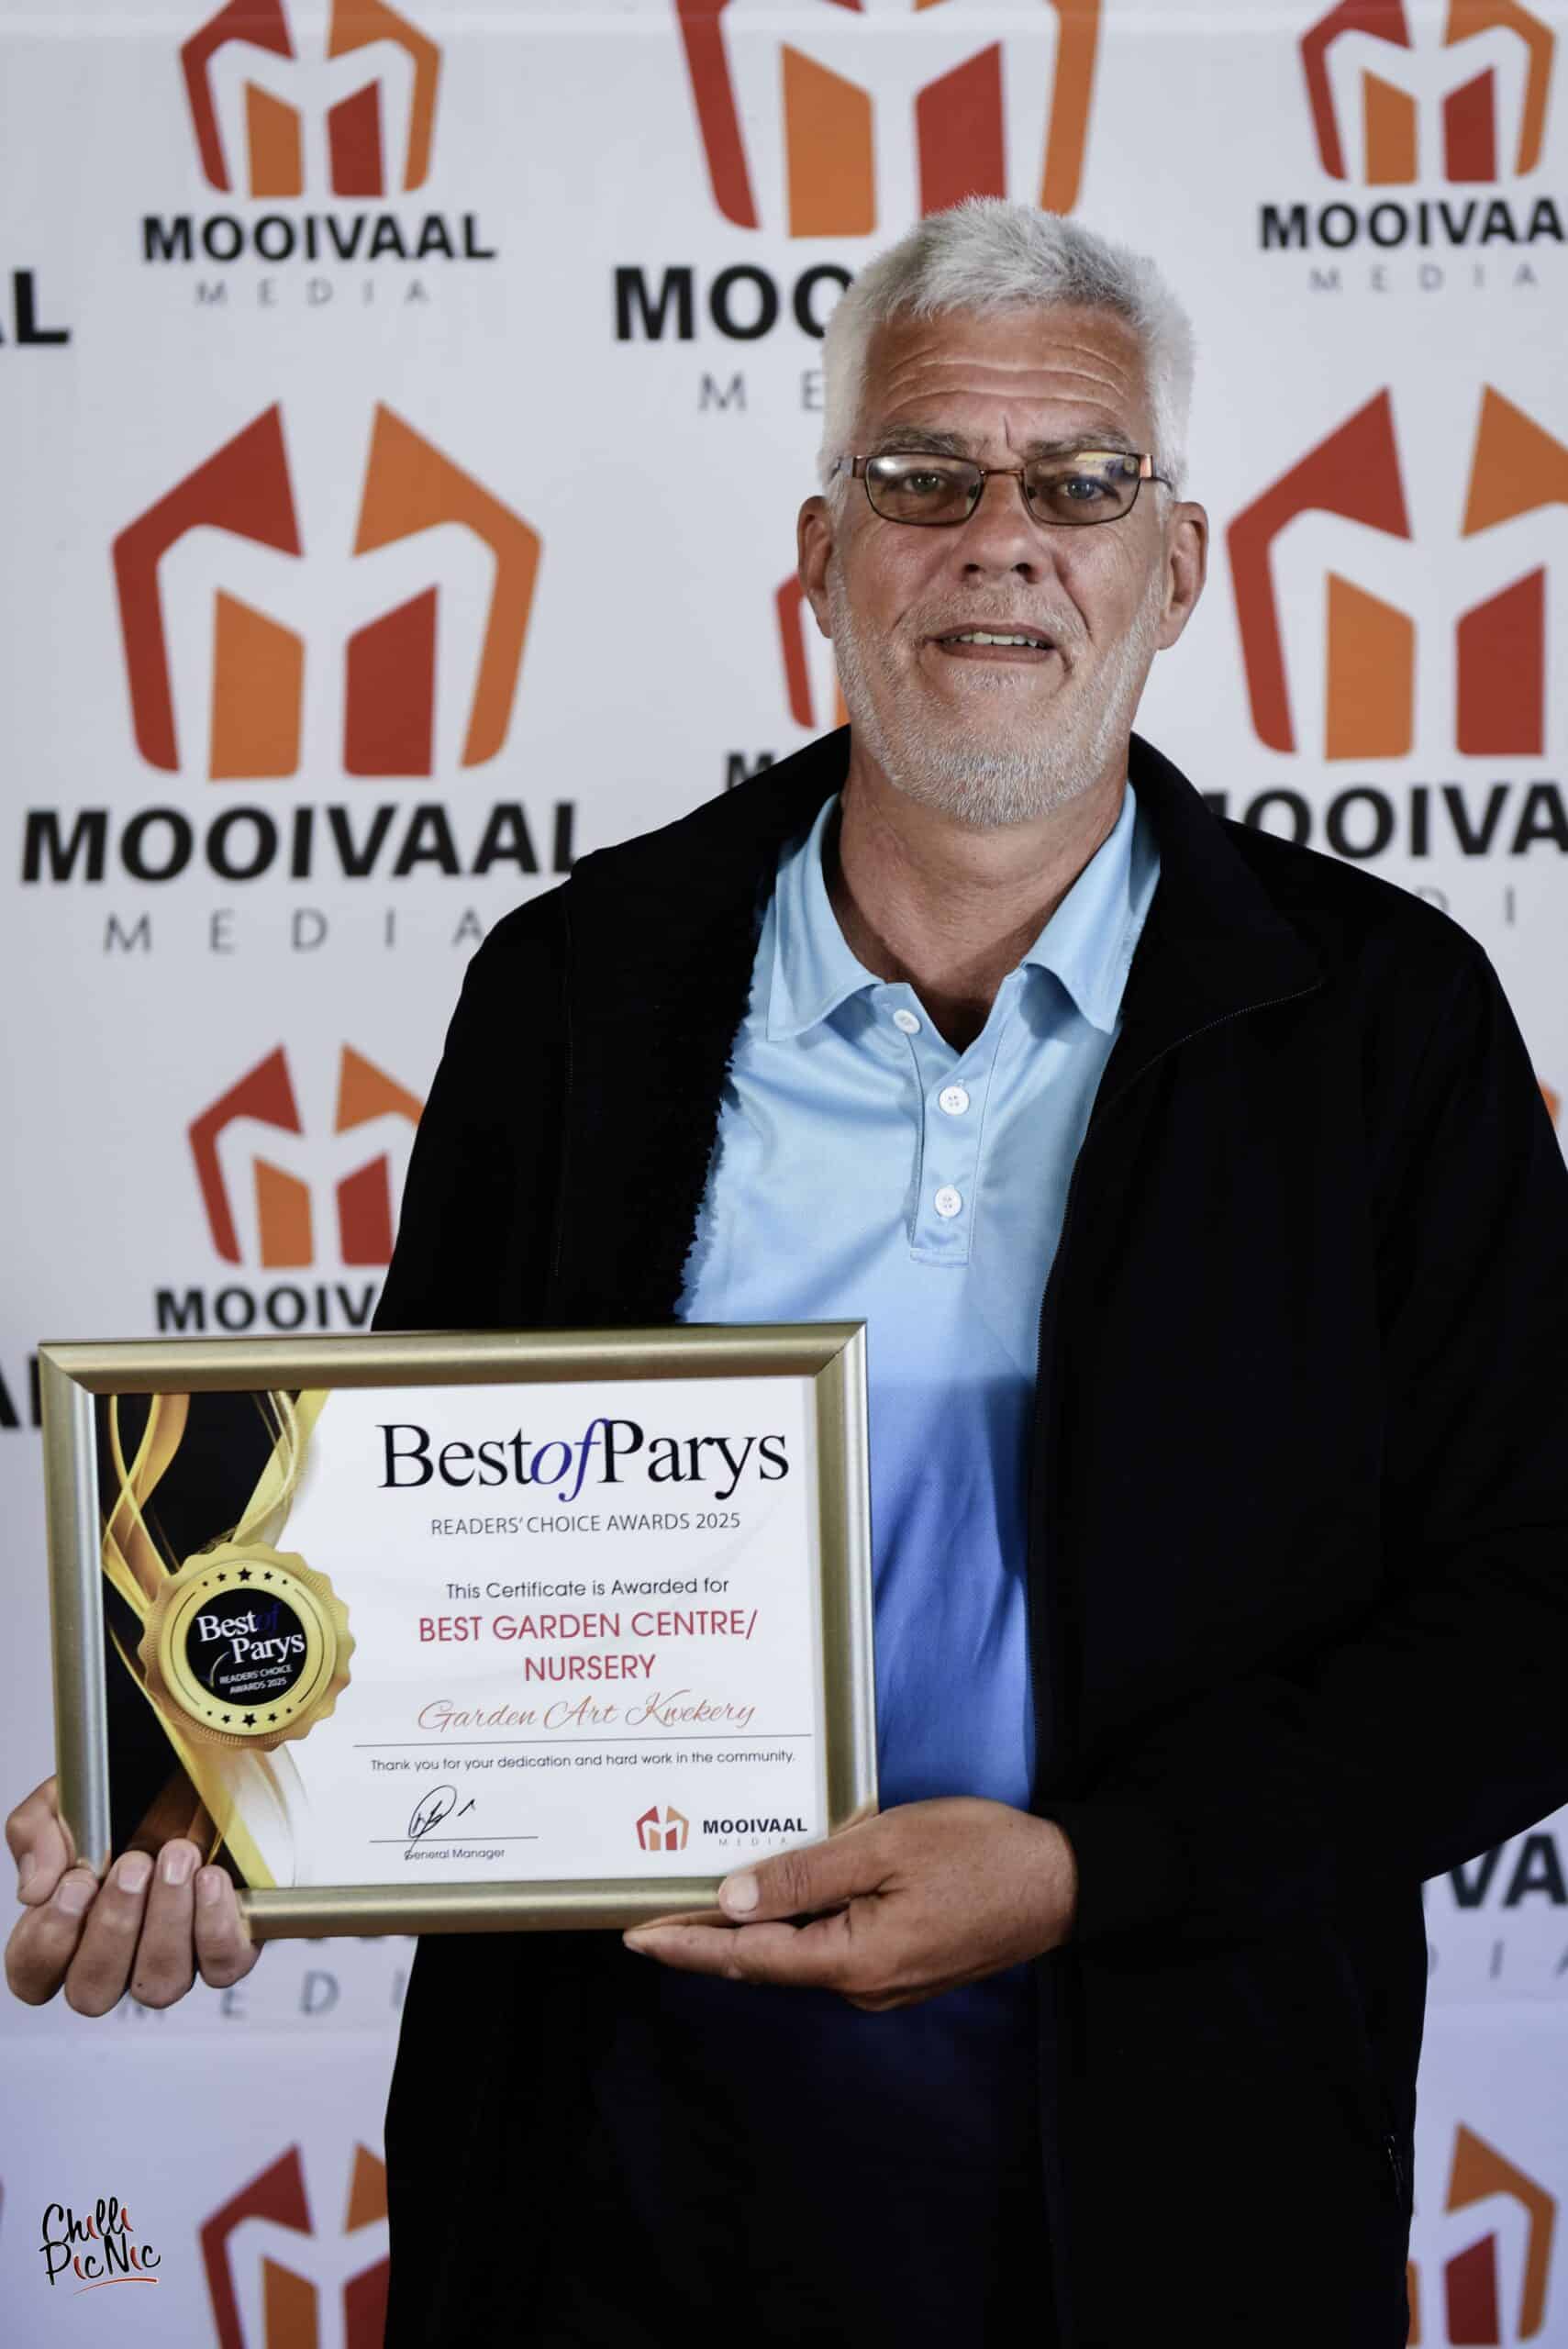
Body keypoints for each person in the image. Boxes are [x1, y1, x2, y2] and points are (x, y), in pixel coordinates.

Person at [9, 199, 1568, 2347]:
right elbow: (405, 1551)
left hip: (1183, 2180)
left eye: (1082, 482)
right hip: (619, 2180)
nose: (1000, 539)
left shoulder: (1386, 1020)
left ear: (1181, 567)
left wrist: (1091, 1863)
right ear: (823, 557)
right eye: (924, 476)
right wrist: (207, 1780)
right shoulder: (577, 988)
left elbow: (1529, 1613)